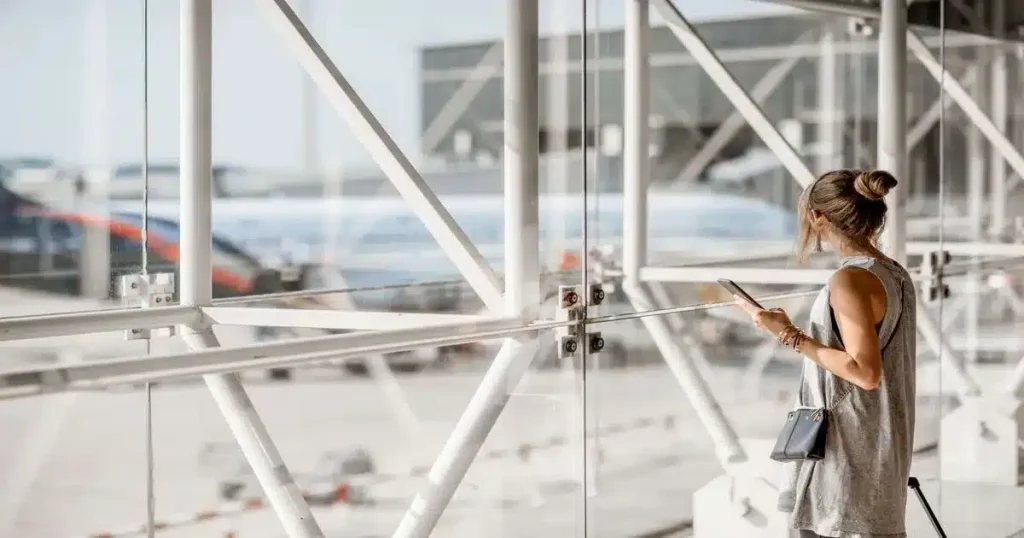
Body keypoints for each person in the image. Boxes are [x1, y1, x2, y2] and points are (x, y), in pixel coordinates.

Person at [735, 169, 917, 538]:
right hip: (879, 442)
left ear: (819, 217)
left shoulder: (850, 279)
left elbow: (864, 371)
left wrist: (787, 334)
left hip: (848, 450)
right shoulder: (894, 273)